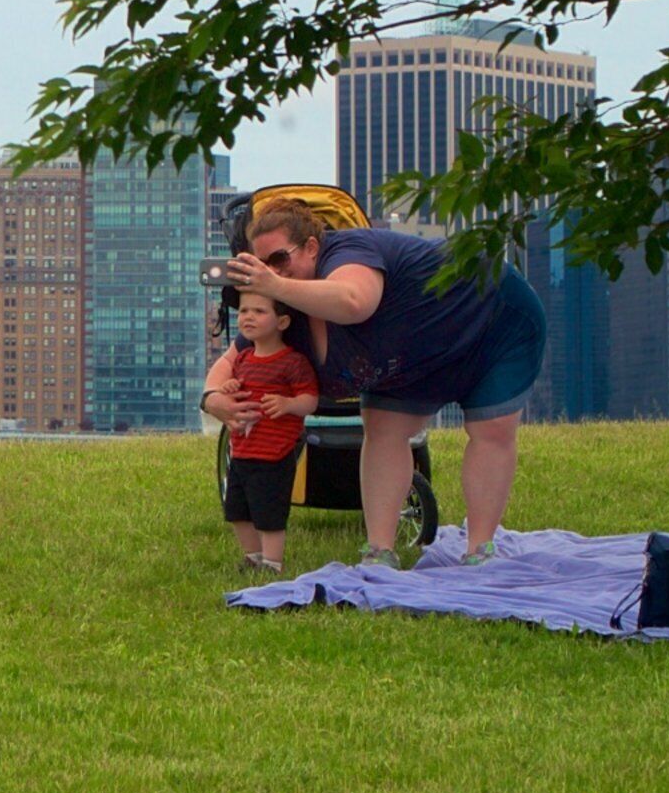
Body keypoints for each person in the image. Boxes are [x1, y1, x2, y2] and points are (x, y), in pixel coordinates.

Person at [217, 204, 542, 569]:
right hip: (410, 356)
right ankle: (379, 551)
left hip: (490, 318)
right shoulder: (282, 313)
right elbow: (229, 360)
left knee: (490, 429)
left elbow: (355, 301)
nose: (270, 273)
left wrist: (274, 284)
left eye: (279, 259)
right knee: (383, 428)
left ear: (311, 247)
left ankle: (479, 549)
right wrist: (214, 400)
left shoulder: (347, 251)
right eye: (260, 265)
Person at [204, 289, 320, 573]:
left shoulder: (292, 362)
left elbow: (310, 400)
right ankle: (252, 556)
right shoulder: (242, 360)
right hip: (242, 450)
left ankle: (272, 562)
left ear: (281, 322)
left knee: (270, 513)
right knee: (238, 512)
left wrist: (289, 403)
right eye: (244, 311)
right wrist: (229, 387)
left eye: (259, 312)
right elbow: (238, 387)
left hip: (275, 453)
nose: (248, 317)